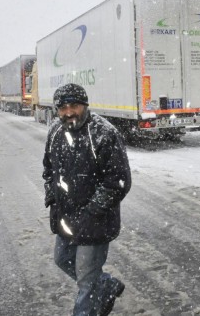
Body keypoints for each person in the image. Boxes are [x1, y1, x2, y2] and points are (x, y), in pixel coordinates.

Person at [42, 83, 132, 316]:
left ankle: (92, 298)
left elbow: (118, 181)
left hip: (95, 221)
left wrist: (91, 213)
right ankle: (107, 284)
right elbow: (48, 169)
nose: (69, 112)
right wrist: (52, 198)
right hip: (66, 218)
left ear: (85, 105)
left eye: (74, 106)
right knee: (62, 259)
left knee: (86, 281)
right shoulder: (55, 131)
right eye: (63, 107)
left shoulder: (104, 133)